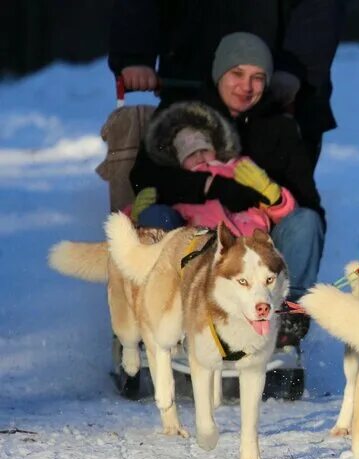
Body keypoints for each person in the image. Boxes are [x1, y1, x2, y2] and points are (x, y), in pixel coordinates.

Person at [130, 32, 323, 346]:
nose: (246, 87)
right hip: (189, 236)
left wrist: (269, 194)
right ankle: (160, 312)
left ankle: (287, 318)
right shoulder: (184, 115)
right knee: (155, 215)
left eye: (258, 78)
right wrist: (212, 186)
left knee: (307, 221)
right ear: (220, 73)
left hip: (258, 240)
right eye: (237, 74)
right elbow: (144, 176)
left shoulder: (280, 129)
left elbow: (307, 202)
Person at [108, 0, 341, 166]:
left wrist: (293, 70)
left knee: (280, 202)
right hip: (190, 84)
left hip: (279, 92)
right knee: (181, 198)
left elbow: (318, 10)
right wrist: (134, 56)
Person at [133, 100, 297, 237]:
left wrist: (272, 196)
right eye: (190, 155)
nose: (199, 157)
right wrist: (135, 216)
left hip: (249, 243)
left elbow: (286, 215)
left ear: (216, 148)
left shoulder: (239, 168)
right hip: (200, 248)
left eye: (204, 150)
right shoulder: (178, 185)